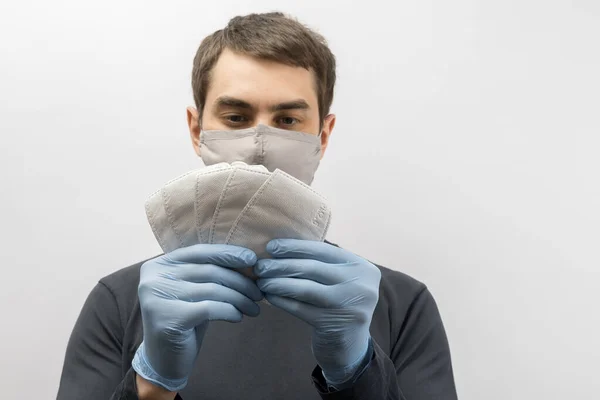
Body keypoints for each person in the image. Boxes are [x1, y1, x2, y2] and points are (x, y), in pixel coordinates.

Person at [57, 12, 458, 400]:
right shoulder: (119, 302)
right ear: (197, 130)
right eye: (235, 117)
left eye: (287, 121)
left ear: (324, 134)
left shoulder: (401, 305)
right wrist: (150, 386)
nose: (259, 148)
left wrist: (360, 374)